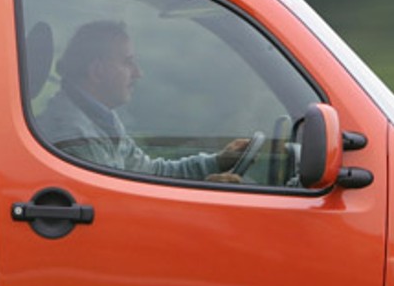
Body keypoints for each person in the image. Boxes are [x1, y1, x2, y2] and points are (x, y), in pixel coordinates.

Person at [36, 20, 249, 180]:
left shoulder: (99, 118)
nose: (138, 73)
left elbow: (150, 173)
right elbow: (119, 206)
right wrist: (205, 190)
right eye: (128, 62)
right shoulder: (74, 136)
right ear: (97, 70)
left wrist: (216, 163)